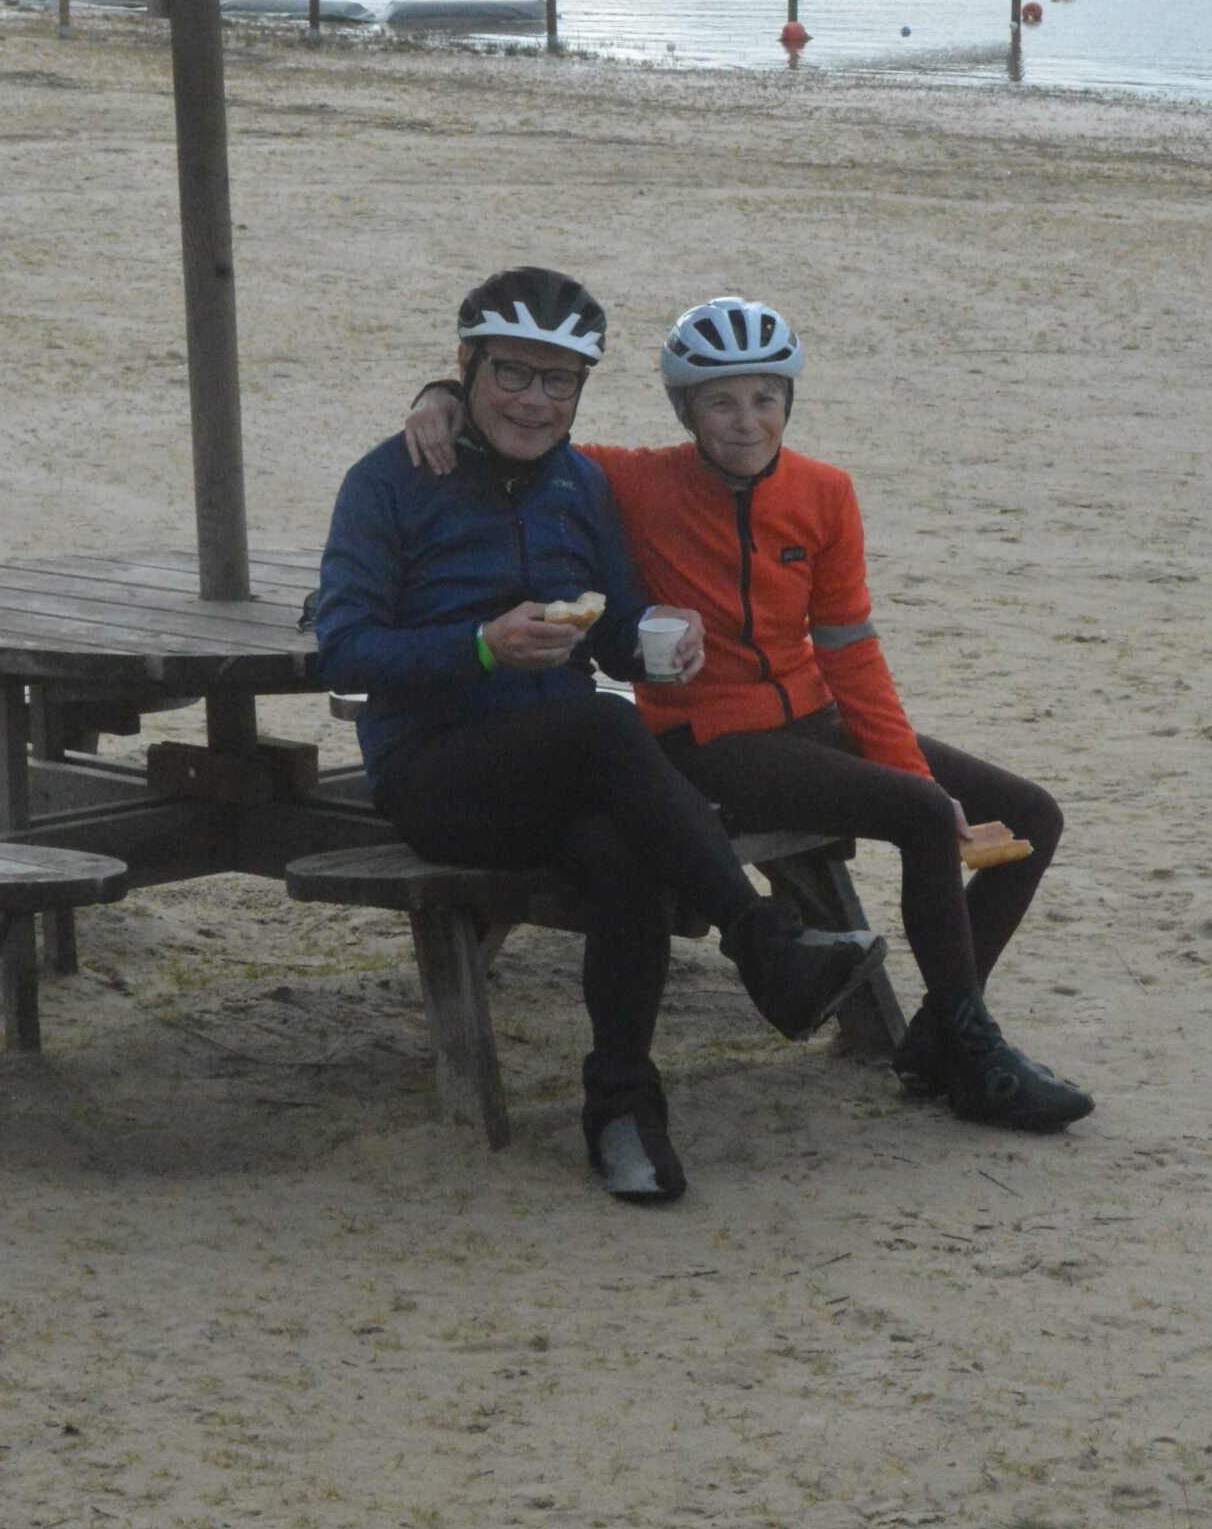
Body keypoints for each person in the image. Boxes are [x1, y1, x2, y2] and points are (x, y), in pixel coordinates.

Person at [405, 294, 1093, 1135]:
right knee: (920, 813)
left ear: (788, 401)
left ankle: (937, 1037)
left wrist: (906, 765)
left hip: (812, 717)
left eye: (764, 398)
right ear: (684, 410)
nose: (744, 421)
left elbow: (850, 653)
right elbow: (526, 425)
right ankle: (973, 1055)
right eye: (719, 401)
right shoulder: (633, 481)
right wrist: (443, 393)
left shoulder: (825, 492)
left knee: (1030, 815)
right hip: (708, 736)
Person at [314, 267, 888, 1206]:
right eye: (512, 373)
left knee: (620, 843)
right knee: (601, 723)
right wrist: (480, 647)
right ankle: (763, 943)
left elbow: (617, 632)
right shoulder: (391, 480)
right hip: (436, 773)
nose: (534, 401)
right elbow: (342, 650)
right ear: (466, 367)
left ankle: (623, 1109)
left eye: (558, 381)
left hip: (571, 768)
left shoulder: (579, 483)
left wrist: (663, 642)